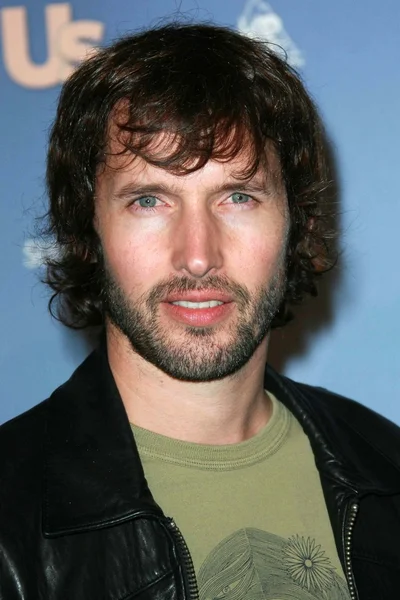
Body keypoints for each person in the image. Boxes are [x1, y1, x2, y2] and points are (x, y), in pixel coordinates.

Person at [0, 22, 399, 600]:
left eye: (238, 197)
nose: (196, 255)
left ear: (298, 224)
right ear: (88, 229)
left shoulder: (386, 469)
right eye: (148, 200)